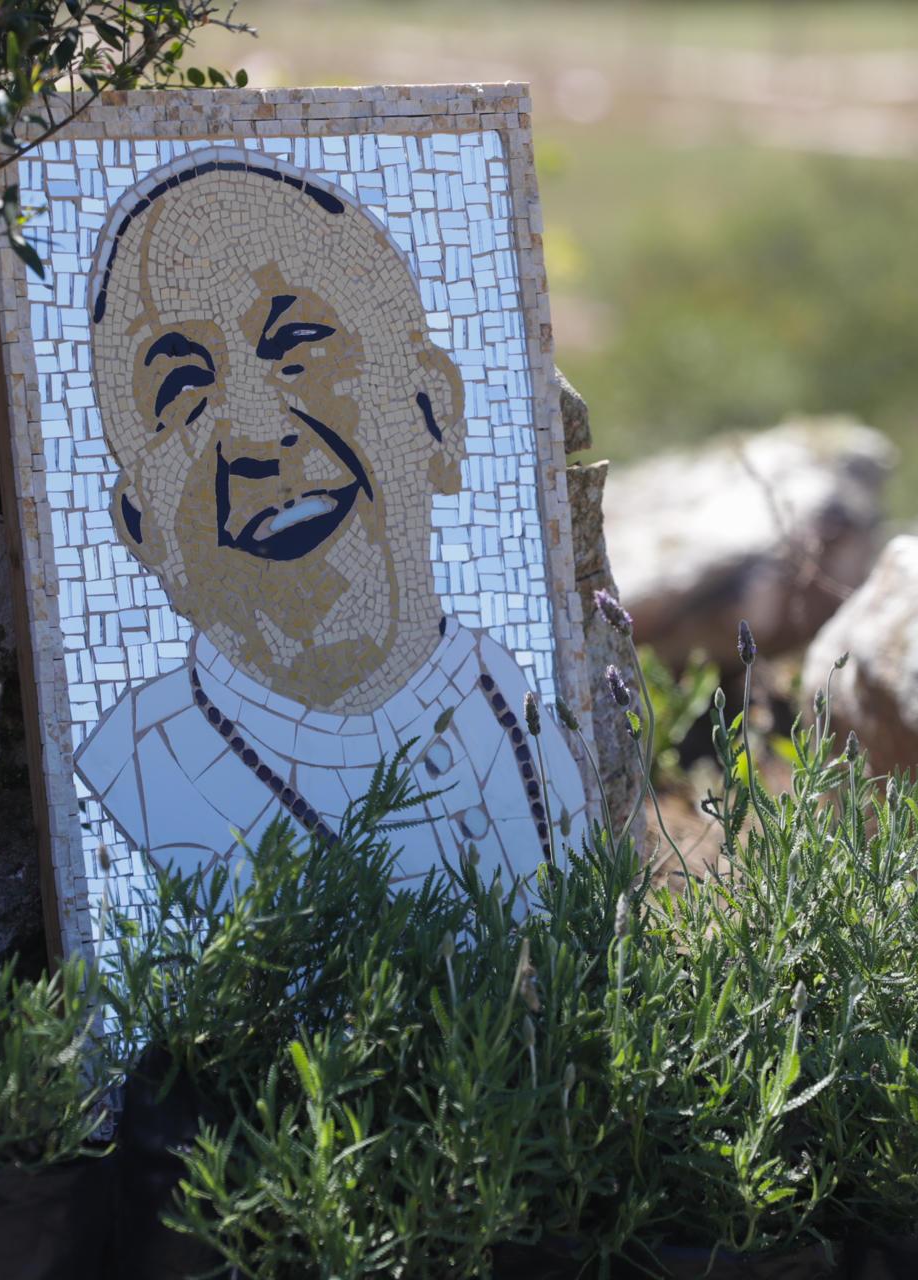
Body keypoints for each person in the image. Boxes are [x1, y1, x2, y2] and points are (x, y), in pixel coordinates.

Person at [71, 150, 586, 884]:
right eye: (182, 389)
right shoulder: (127, 783)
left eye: (298, 347)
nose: (253, 435)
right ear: (140, 525)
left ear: (434, 416)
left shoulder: (533, 715)